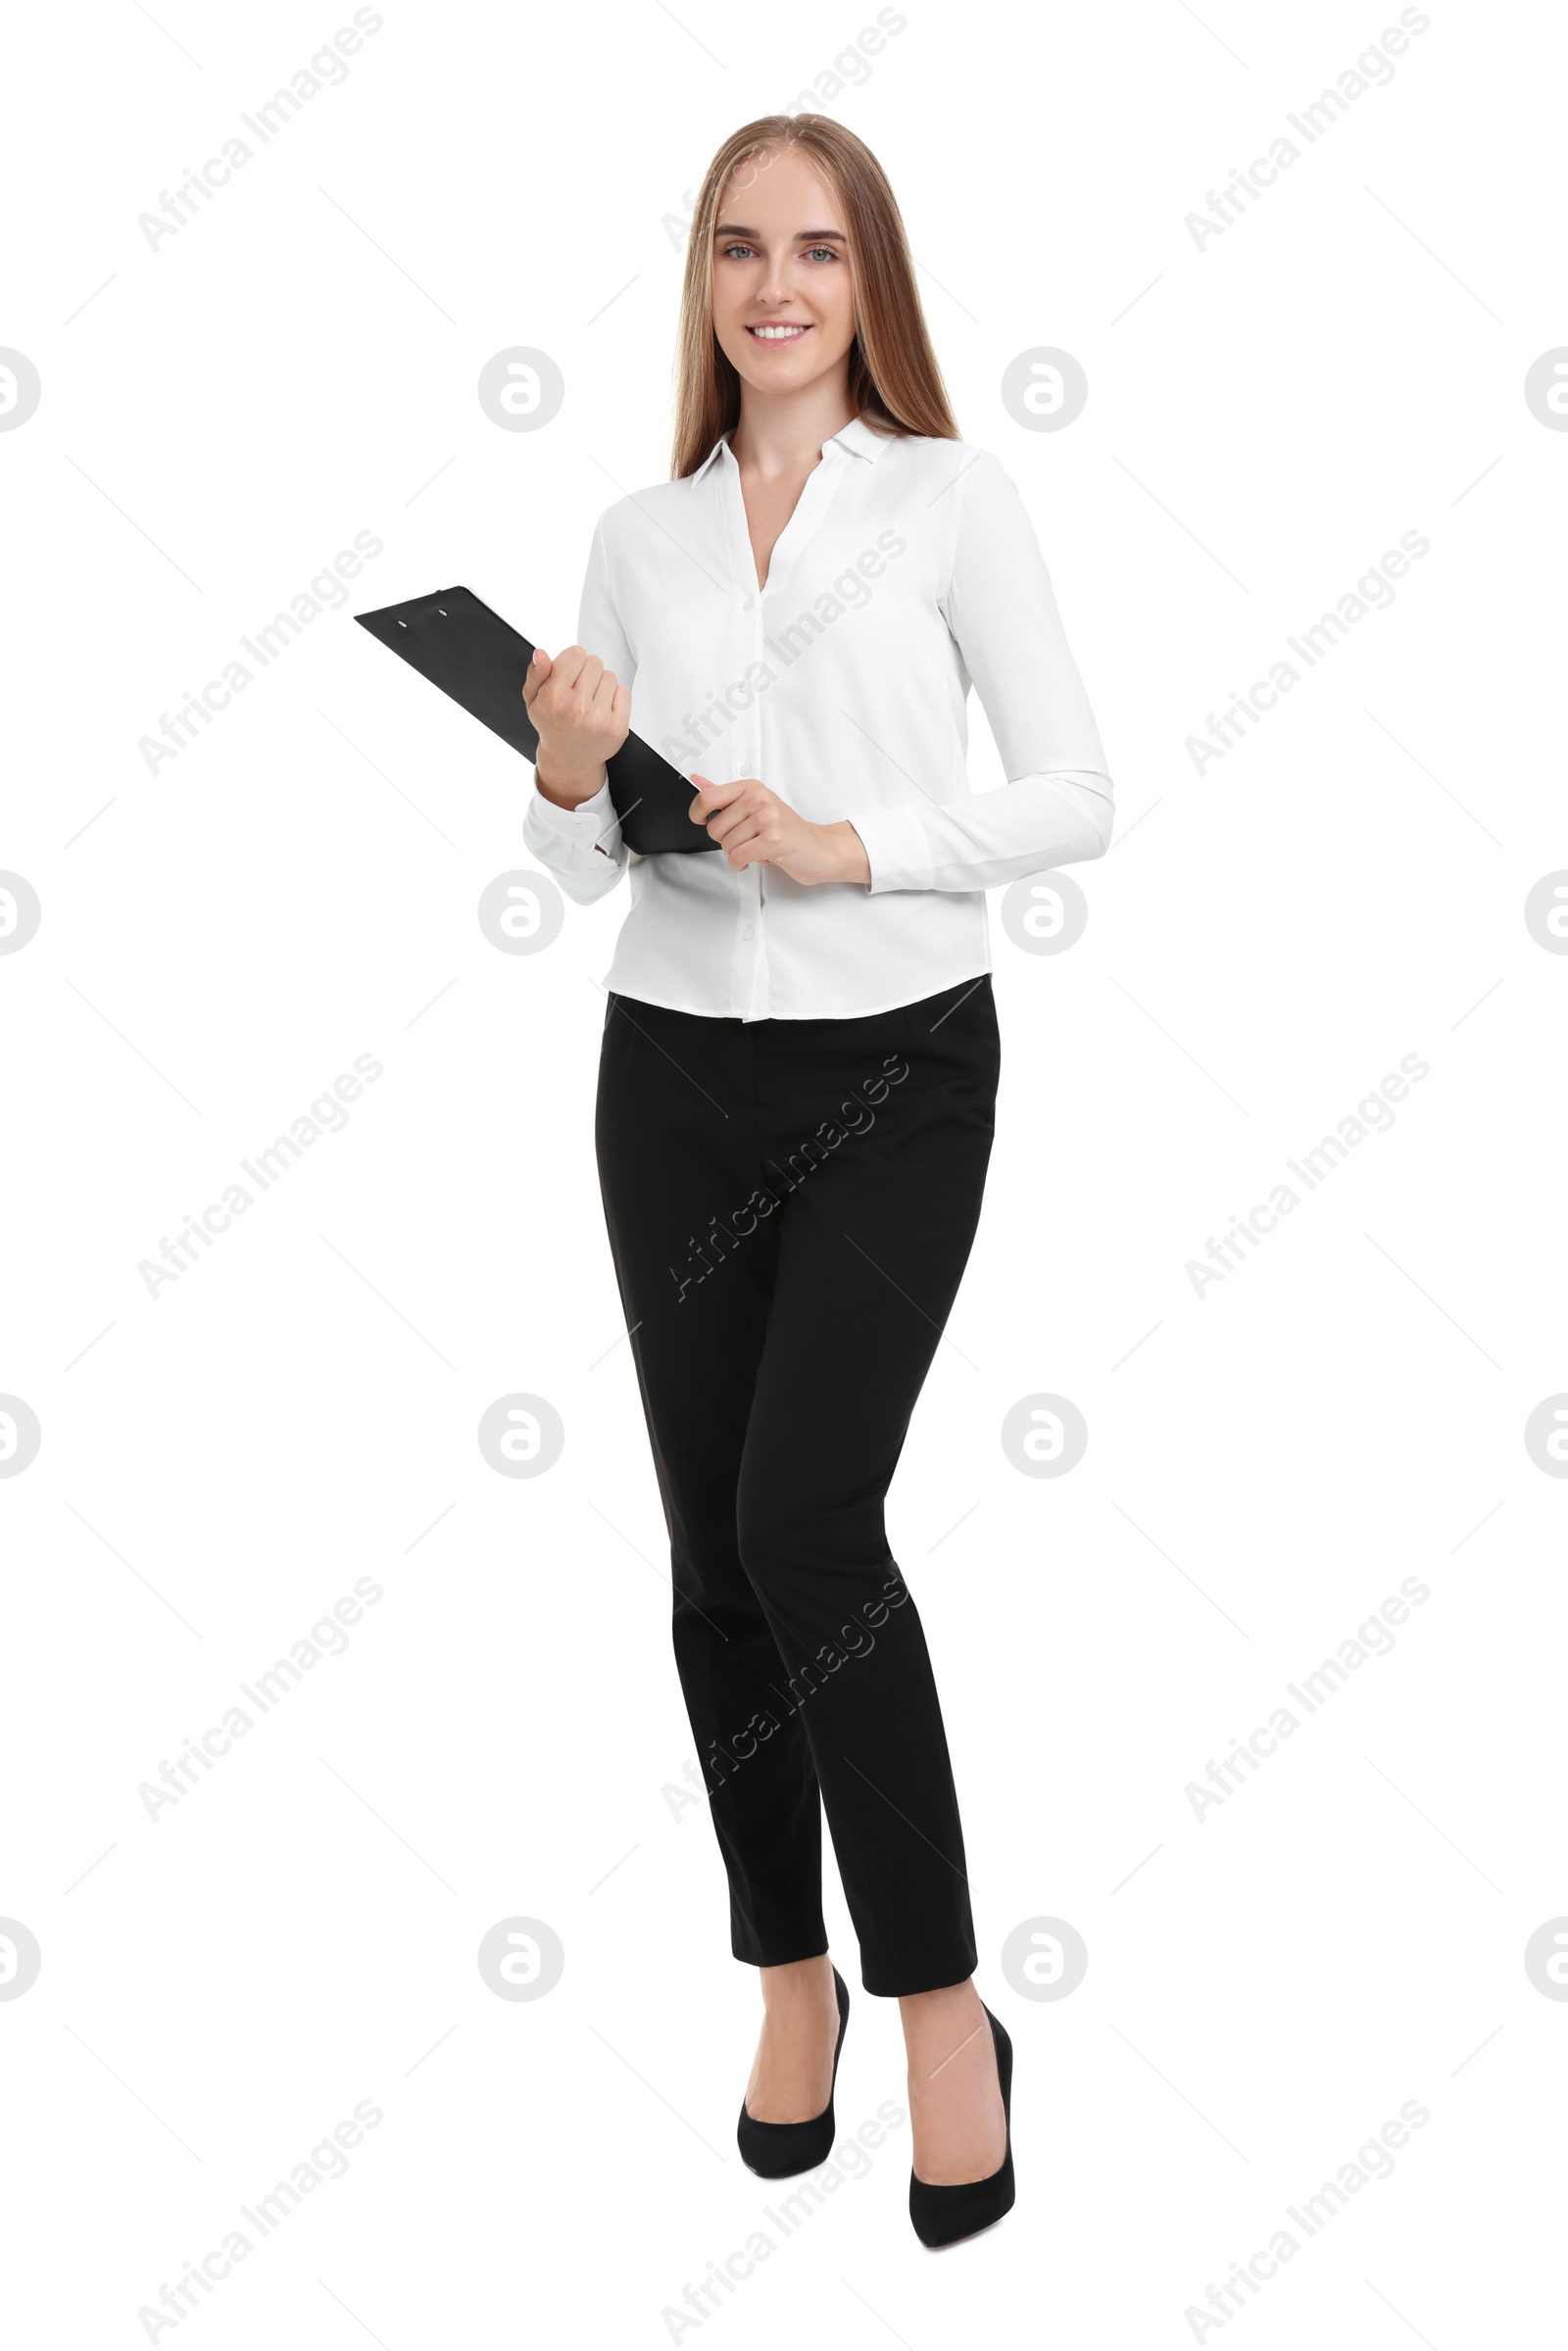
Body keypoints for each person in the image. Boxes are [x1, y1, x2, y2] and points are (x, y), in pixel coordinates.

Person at [520, 113, 1113, 2248]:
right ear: (700, 281)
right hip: (667, 1070)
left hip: (895, 1068)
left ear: (869, 285)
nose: (775, 287)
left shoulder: (952, 500)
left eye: (818, 254)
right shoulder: (636, 533)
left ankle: (937, 2001)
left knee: (805, 1518)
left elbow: (1071, 794)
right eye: (739, 250)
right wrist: (574, 775)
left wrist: (843, 843)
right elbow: (581, 854)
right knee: (707, 1556)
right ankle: (788, 1977)